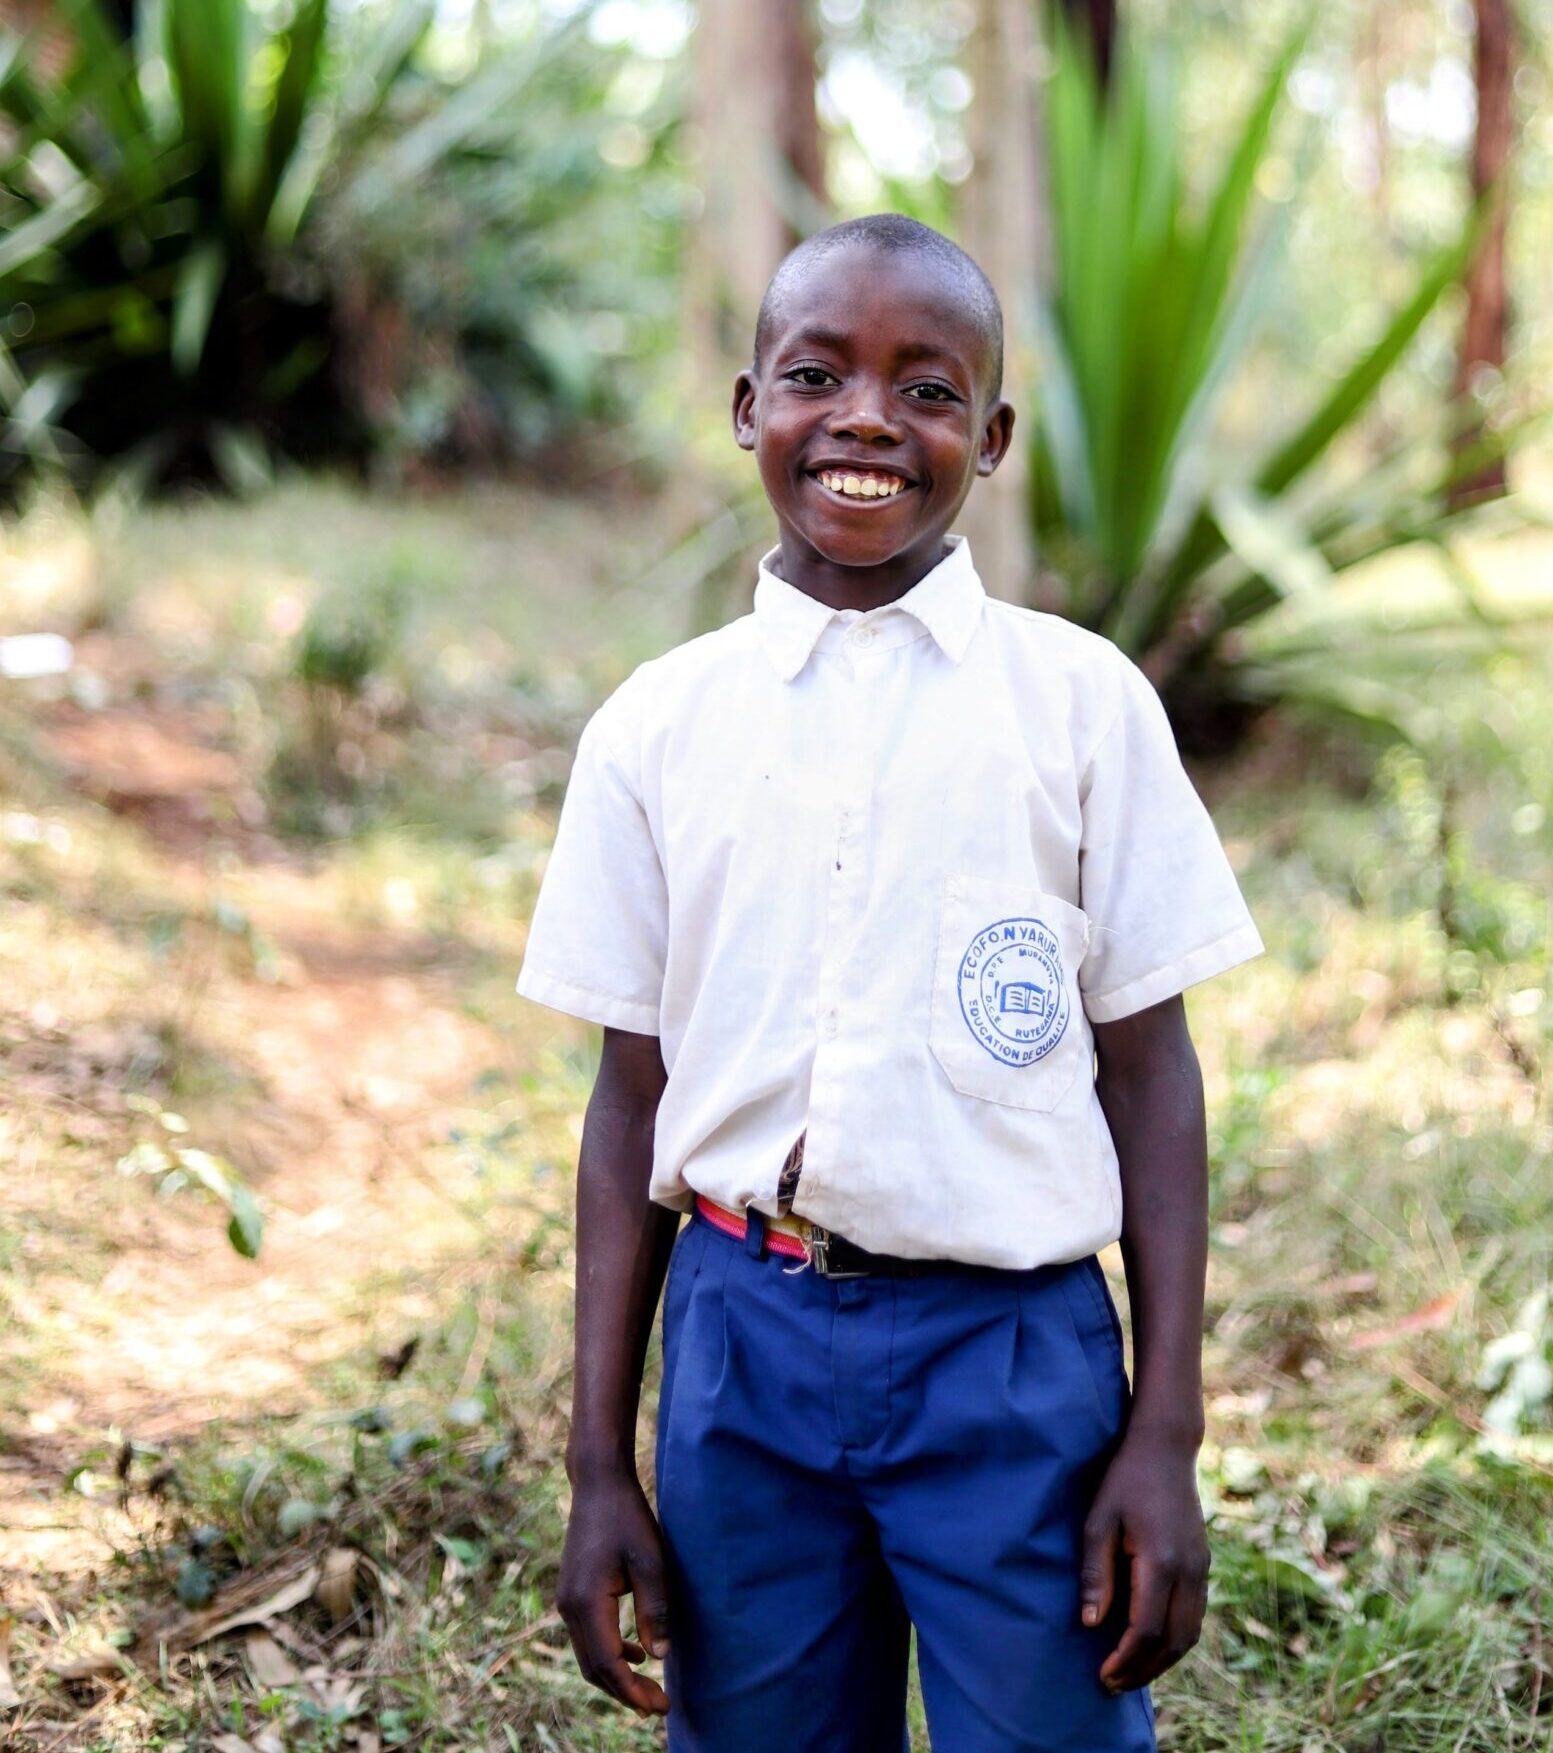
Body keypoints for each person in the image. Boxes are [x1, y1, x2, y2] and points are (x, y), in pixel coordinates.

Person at [515, 212, 1264, 1752]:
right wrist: (598, 1459)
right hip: (740, 1345)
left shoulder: (1077, 707)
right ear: (746, 410)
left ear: (987, 439)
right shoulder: (656, 729)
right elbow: (628, 1100)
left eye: (926, 391)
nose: (865, 417)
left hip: (1012, 1355)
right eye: (814, 373)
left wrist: (1164, 1430)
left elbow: (1150, 1073)